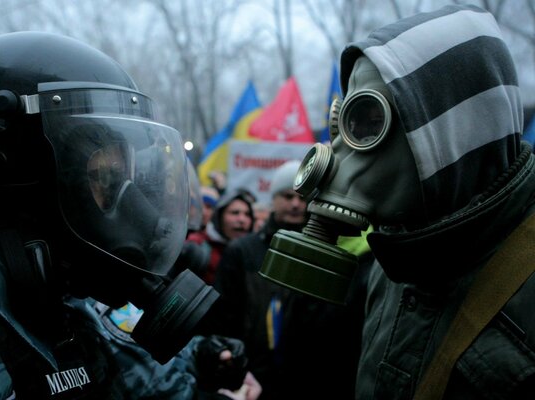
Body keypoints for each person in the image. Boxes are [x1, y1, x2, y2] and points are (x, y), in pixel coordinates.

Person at [0, 31, 261, 399]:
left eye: (123, 178)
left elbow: (131, 367)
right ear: (14, 186)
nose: (132, 209)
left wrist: (199, 358)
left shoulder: (54, 289)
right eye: (102, 179)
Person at [268, 5, 535, 398]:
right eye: (345, 122)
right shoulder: (397, 260)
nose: (339, 156)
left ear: (451, 133)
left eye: (371, 122)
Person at [212, 160, 371, 399]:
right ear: (273, 199)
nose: (296, 204)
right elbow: (225, 317)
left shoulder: (325, 252)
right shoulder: (243, 250)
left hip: (306, 379)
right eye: (287, 196)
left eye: (302, 198)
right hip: (253, 376)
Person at [183, 189, 255, 285]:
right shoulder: (196, 244)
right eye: (235, 213)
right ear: (219, 217)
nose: (242, 219)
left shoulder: (251, 252)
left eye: (247, 214)